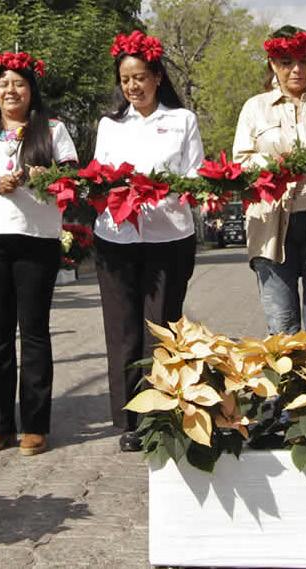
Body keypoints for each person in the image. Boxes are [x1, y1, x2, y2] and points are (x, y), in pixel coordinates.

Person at [0, 52, 78, 456]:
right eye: (3, 83)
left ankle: (35, 425)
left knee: (34, 331)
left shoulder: (53, 130)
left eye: (19, 83)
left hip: (37, 239)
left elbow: (72, 179)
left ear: (31, 90)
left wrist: (48, 176)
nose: (11, 90)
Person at [94, 31, 204, 452]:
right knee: (122, 330)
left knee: (160, 329)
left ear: (157, 76)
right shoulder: (109, 124)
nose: (133, 86)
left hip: (168, 235)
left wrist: (160, 189)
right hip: (116, 237)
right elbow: (99, 174)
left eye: (140, 77)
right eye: (125, 79)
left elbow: (194, 176)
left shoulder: (182, 120)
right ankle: (129, 420)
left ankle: (160, 414)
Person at [232, 25, 306, 338]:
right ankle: (284, 372)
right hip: (270, 227)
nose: (296, 69)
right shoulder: (254, 109)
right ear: (273, 64)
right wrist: (277, 164)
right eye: (287, 62)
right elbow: (240, 165)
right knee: (281, 331)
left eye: (304, 61)